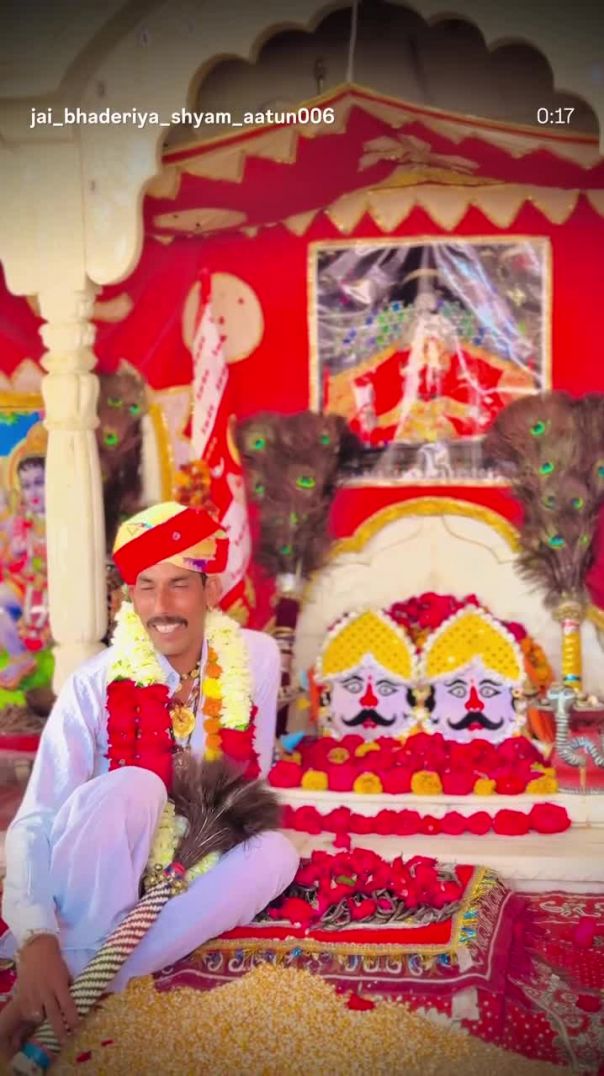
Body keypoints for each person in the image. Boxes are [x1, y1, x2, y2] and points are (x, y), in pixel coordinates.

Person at [0, 501, 299, 1059]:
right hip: (95, 872)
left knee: (276, 854)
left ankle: (78, 975)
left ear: (210, 592)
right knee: (135, 785)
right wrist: (36, 937)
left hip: (185, 863)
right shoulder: (93, 684)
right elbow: (37, 818)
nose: (161, 606)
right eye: (146, 587)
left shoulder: (253, 657)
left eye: (179, 584)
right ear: (129, 599)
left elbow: (243, 783)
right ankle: (77, 960)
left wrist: (195, 851)